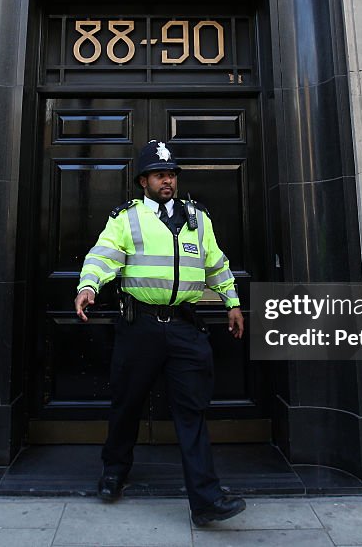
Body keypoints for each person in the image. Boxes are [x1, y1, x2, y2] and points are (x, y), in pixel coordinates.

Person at [73, 139, 246, 526]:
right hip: (141, 327)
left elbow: (216, 262)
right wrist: (88, 286)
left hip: (186, 327)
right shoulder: (127, 218)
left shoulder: (198, 218)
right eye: (159, 175)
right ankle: (114, 472)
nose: (167, 181)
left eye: (170, 174)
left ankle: (206, 501)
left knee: (192, 412)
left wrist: (231, 302)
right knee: (126, 403)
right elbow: (103, 255)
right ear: (143, 181)